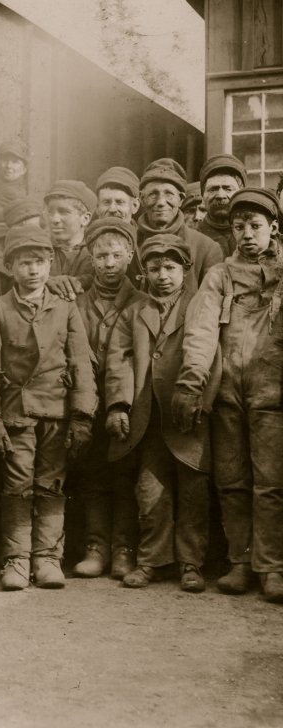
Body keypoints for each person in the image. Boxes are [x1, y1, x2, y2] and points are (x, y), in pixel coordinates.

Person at [176, 188, 283, 602]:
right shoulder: (219, 275)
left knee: (271, 482)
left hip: (272, 393)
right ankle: (241, 562)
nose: (247, 235)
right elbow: (202, 329)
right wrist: (192, 380)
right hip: (227, 394)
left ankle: (271, 567)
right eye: (239, 227)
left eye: (255, 226)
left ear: (273, 227)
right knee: (232, 480)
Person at [0, 225, 95, 590]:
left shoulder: (65, 307)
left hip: (56, 411)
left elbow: (81, 363)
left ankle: (47, 558)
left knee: (51, 484)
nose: (33, 270)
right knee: (17, 485)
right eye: (24, 263)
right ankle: (16, 559)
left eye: (40, 262)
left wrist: (82, 415)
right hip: (16, 412)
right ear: (11, 268)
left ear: (50, 264)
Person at [106, 235, 212, 593]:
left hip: (188, 416)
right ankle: (152, 560)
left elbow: (212, 355)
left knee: (193, 490)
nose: (162, 276)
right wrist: (119, 404)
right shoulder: (134, 311)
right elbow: (119, 359)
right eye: (154, 269)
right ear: (144, 272)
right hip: (149, 417)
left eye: (170, 268)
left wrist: (200, 401)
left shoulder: (200, 305)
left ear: (186, 269)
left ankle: (191, 563)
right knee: (150, 490)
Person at [69, 218, 147, 579]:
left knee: (124, 475)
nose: (109, 263)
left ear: (130, 256)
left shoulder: (142, 302)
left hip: (128, 402)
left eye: (116, 255)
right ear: (91, 259)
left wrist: (122, 404)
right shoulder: (76, 302)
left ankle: (124, 549)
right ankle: (96, 547)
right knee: (92, 475)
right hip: (86, 400)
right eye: (101, 257)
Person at [134, 158, 223, 289]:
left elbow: (210, 297)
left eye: (169, 194)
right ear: (142, 199)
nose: (161, 202)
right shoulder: (128, 244)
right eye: (153, 194)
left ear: (180, 199)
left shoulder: (206, 248)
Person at [196, 154, 247, 256]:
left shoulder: (254, 236)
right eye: (213, 189)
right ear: (203, 195)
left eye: (228, 189)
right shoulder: (192, 239)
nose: (220, 195)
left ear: (241, 193)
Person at [44, 180, 96, 278]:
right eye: (50, 212)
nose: (54, 219)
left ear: (85, 219)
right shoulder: (41, 250)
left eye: (64, 212)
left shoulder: (96, 252)